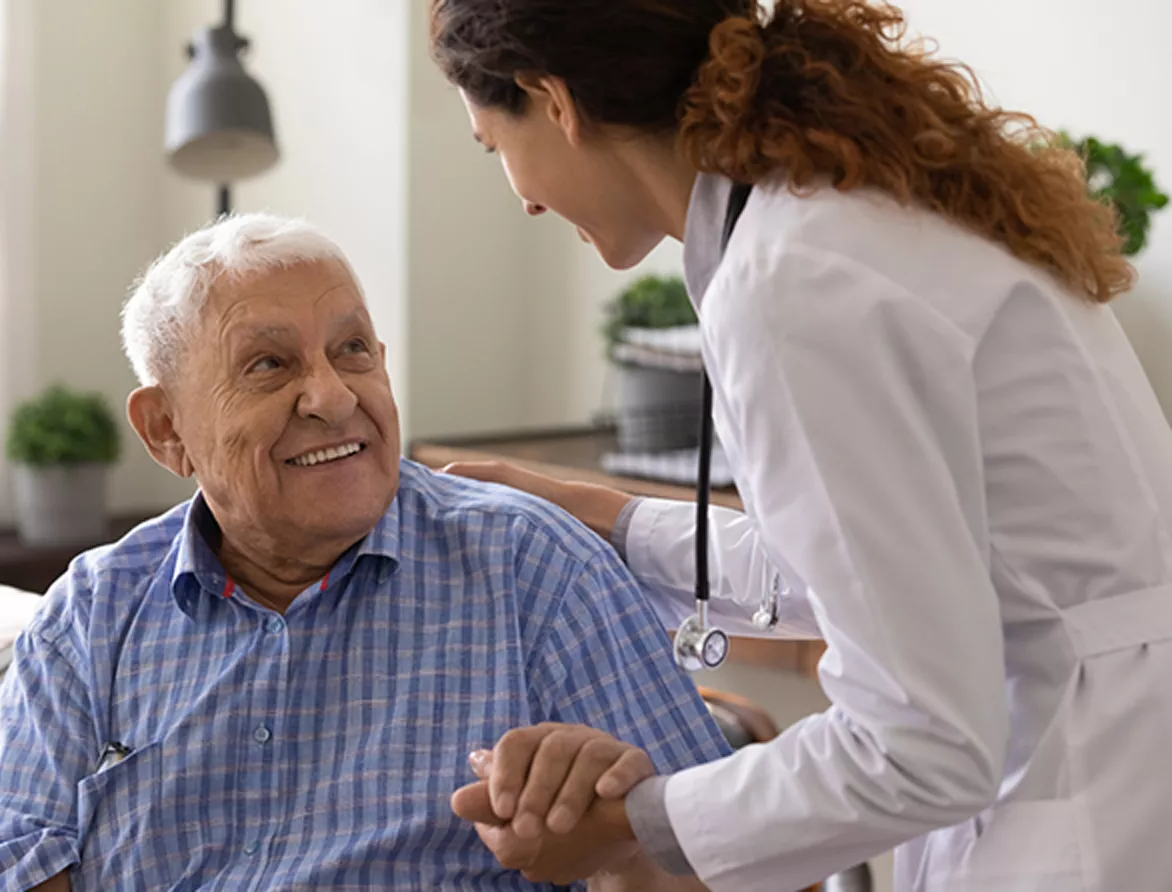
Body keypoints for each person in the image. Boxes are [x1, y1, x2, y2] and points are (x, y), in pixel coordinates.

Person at [428, 0, 1172, 889]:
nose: (522, 198)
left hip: (1096, 805)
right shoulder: (849, 212)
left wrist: (634, 825)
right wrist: (616, 523)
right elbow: (884, 567)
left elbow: (919, 745)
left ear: (555, 102)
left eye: (493, 147)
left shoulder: (790, 283)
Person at [0, 214, 732, 891]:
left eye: (352, 350)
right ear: (166, 430)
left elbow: (726, 868)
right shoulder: (91, 614)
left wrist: (619, 843)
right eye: (269, 365)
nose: (332, 396)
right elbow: (10, 869)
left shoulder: (533, 570)